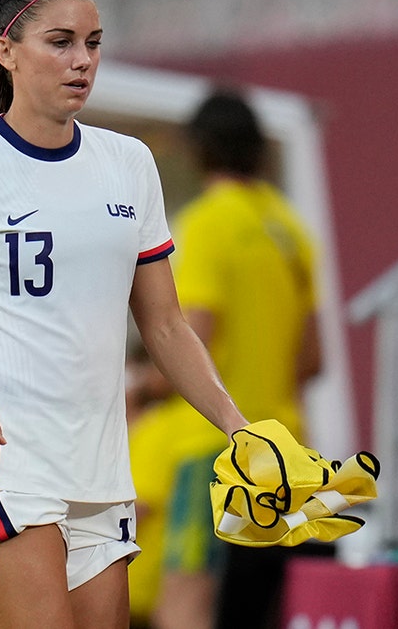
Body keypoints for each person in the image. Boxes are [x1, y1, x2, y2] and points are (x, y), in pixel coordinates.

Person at [0, 0, 250, 629]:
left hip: (100, 474)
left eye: (93, 43)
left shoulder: (130, 164)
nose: (82, 60)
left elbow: (164, 325)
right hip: (2, 469)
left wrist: (240, 429)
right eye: (62, 42)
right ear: (7, 52)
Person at [144, 90, 325, 629]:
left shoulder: (205, 225)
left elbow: (187, 342)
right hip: (288, 454)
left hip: (213, 450)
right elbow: (313, 360)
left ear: (199, 150)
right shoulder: (291, 232)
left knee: (188, 601)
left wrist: (142, 385)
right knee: (258, 611)